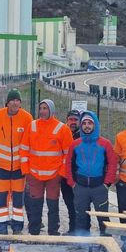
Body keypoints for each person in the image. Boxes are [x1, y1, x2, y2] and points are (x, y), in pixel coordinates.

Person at [21, 100, 73, 236]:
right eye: (41, 108)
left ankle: (53, 232)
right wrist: (26, 171)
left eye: (45, 108)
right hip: (34, 174)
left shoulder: (62, 128)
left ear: (51, 110)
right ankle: (34, 231)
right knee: (35, 205)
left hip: (54, 176)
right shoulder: (31, 126)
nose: (42, 111)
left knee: (53, 205)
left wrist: (61, 173)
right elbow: (24, 150)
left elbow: (68, 154)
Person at [0, 89, 33, 235]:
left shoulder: (27, 118)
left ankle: (17, 225)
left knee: (18, 198)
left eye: (17, 100)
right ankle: (2, 225)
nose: (15, 103)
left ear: (20, 103)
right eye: (12, 100)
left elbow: (31, 140)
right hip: (1, 166)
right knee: (1, 198)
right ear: (7, 102)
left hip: (19, 167)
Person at [65, 111, 117, 235]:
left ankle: (105, 241)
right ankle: (82, 243)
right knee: (80, 217)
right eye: (84, 123)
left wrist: (107, 183)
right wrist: (72, 183)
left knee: (103, 217)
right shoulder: (75, 144)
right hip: (80, 187)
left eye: (90, 123)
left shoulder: (105, 144)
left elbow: (113, 163)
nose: (87, 126)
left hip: (99, 187)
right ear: (81, 126)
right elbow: (68, 164)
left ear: (95, 125)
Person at [61, 109, 81, 233]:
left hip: (79, 176)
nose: (73, 122)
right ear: (66, 120)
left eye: (75, 120)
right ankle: (72, 228)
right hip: (65, 176)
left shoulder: (82, 135)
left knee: (79, 204)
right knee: (69, 204)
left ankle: (80, 230)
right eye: (71, 119)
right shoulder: (62, 133)